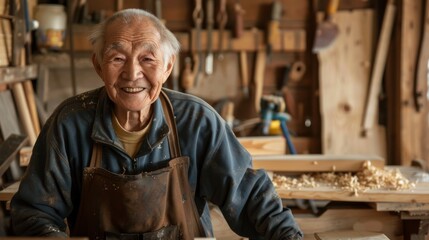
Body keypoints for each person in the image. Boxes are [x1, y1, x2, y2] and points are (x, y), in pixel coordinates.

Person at [10, 8, 303, 240]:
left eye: (147, 58)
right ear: (98, 65)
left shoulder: (198, 122)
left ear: (168, 67)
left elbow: (250, 197)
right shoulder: (69, 124)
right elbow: (35, 214)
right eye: (117, 58)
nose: (132, 73)